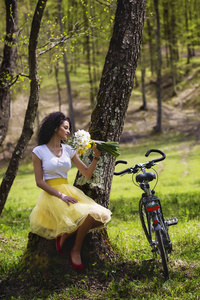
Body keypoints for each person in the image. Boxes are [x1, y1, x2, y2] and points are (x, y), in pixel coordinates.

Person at [29, 112, 112, 270]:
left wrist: (96, 156)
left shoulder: (68, 150)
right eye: (65, 128)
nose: (68, 131)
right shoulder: (38, 151)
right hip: (52, 194)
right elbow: (39, 182)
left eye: (69, 129)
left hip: (69, 190)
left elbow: (86, 173)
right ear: (55, 128)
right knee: (86, 215)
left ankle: (69, 239)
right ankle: (75, 251)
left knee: (100, 216)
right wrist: (61, 196)